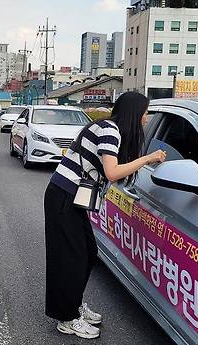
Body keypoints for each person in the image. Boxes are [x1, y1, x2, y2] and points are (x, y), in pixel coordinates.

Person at [44, 91, 167, 339]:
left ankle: (73, 305)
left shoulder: (110, 129)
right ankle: (66, 318)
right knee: (71, 258)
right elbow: (112, 172)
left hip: (69, 197)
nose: (146, 118)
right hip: (65, 196)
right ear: (134, 112)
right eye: (145, 112)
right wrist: (148, 158)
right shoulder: (110, 130)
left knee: (87, 253)